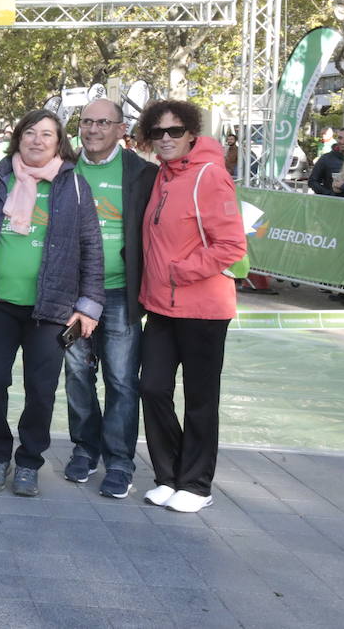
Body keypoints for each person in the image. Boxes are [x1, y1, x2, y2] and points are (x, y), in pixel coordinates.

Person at [0, 108, 104, 498]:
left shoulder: (74, 186)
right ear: (18, 138)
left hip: (52, 308)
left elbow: (91, 249)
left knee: (41, 388)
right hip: (0, 303)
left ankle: (29, 460)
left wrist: (88, 305)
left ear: (58, 141)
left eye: (46, 134)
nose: (37, 140)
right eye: (30, 132)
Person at [138, 101, 247, 512]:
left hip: (203, 308)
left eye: (175, 130)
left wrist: (179, 272)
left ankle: (197, 484)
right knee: (152, 388)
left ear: (191, 133)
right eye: (158, 132)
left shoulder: (210, 176)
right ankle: (169, 475)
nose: (166, 138)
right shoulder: (162, 177)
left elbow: (232, 245)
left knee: (200, 399)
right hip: (162, 308)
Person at [62, 99, 158, 499]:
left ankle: (119, 461)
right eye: (87, 121)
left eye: (104, 122)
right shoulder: (63, 168)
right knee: (78, 377)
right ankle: (85, 449)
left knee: (121, 380)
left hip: (120, 292)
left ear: (122, 129)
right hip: (72, 293)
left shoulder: (143, 173)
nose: (93, 129)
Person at [309, 126, 344, 194]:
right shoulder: (326, 158)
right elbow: (312, 181)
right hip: (333, 202)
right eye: (340, 138)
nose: (342, 141)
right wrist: (329, 194)